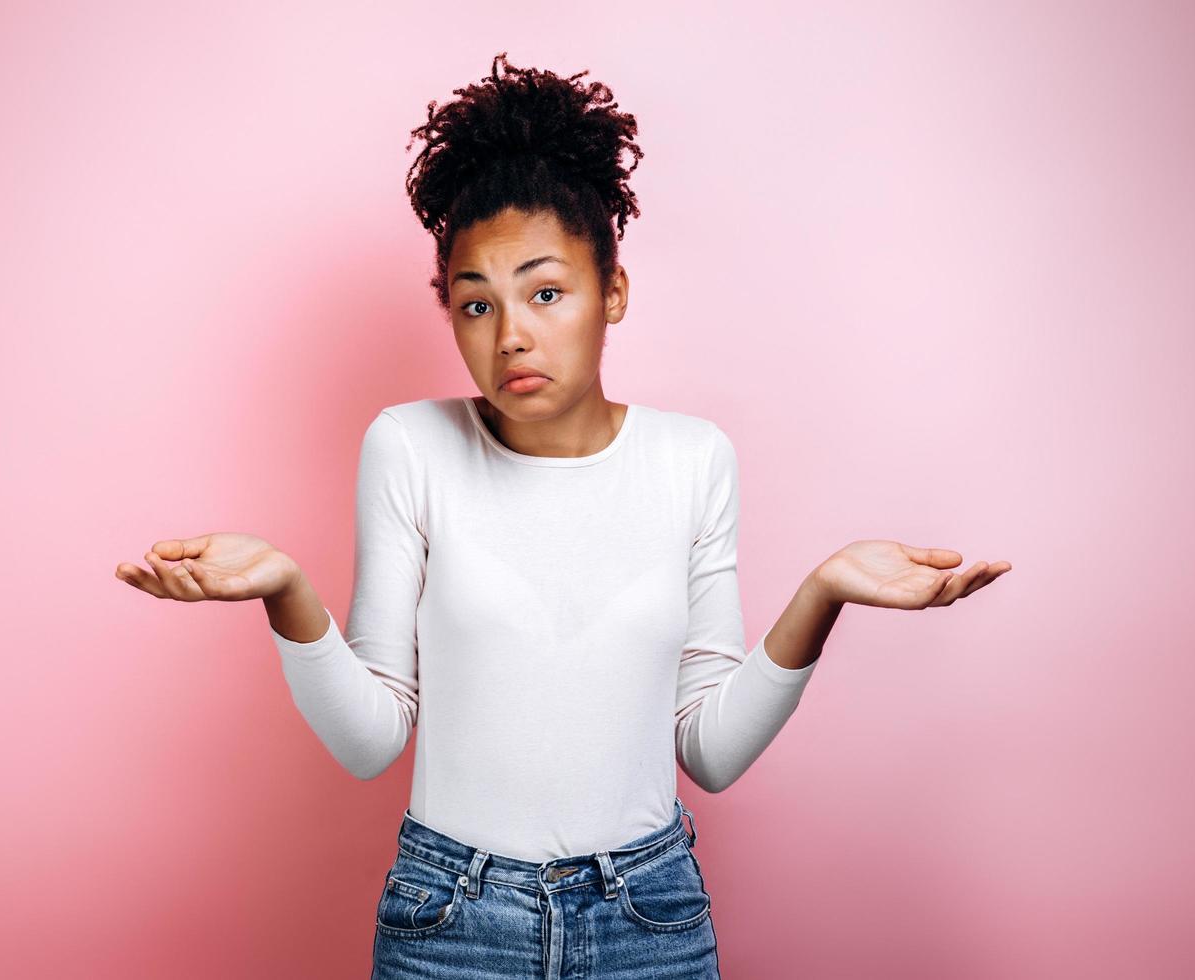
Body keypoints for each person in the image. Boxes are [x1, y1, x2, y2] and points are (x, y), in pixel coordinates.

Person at [115, 51, 1011, 980]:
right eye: (475, 304)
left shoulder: (690, 459)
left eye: (546, 292)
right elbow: (370, 740)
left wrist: (823, 594)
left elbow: (707, 751)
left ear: (610, 291)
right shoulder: (411, 448)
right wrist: (285, 595)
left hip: (647, 918)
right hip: (450, 919)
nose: (510, 336)